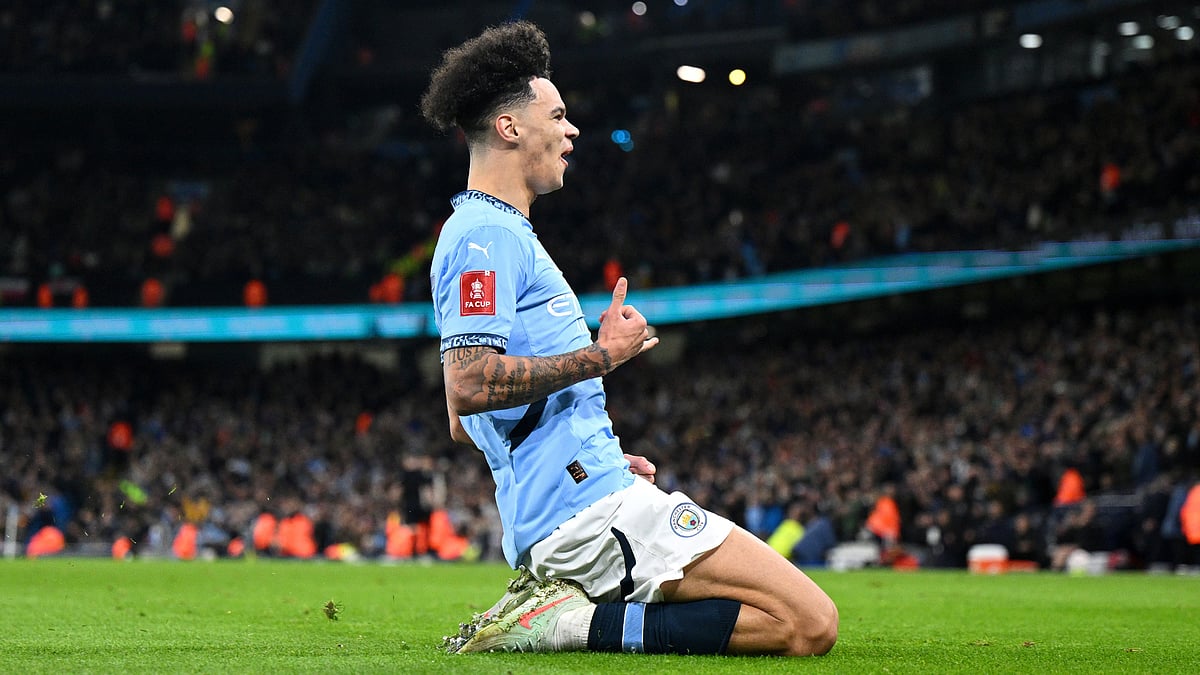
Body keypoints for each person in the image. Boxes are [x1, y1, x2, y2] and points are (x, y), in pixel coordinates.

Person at [420, 21, 837, 656]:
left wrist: (593, 445)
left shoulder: (491, 233)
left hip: (583, 497)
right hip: (585, 511)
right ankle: (567, 624)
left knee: (787, 617)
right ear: (510, 128)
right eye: (557, 116)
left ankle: (567, 612)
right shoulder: (486, 235)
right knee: (807, 623)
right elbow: (471, 386)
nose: (573, 130)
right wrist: (603, 356)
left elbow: (462, 422)